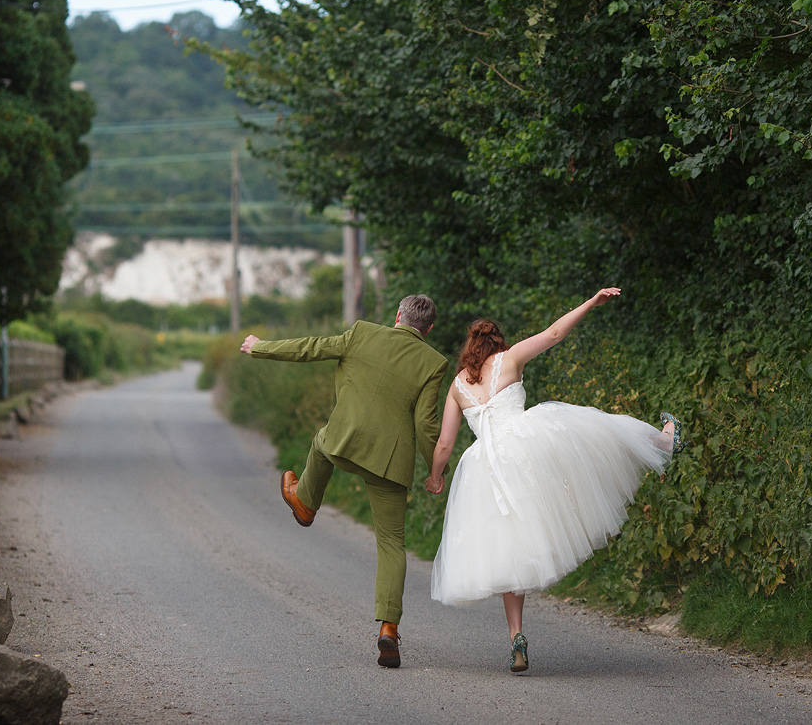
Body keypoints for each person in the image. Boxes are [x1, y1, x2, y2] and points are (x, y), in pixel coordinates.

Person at [425, 287, 685, 673]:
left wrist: (435, 477)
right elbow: (552, 335)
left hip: (485, 467)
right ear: (497, 343)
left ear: (468, 350)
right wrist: (590, 302)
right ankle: (665, 439)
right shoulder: (509, 359)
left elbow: (446, 443)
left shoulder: (458, 386)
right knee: (599, 429)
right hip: (527, 444)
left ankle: (516, 635)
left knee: (507, 549)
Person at [239, 294, 448, 669]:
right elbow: (426, 424)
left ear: (398, 316)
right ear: (428, 329)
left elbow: (311, 348)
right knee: (391, 544)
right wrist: (436, 472)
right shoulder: (433, 362)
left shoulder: (362, 333)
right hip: (390, 462)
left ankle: (305, 502)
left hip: (344, 442)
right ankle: (388, 627)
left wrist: (260, 348)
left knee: (322, 442)